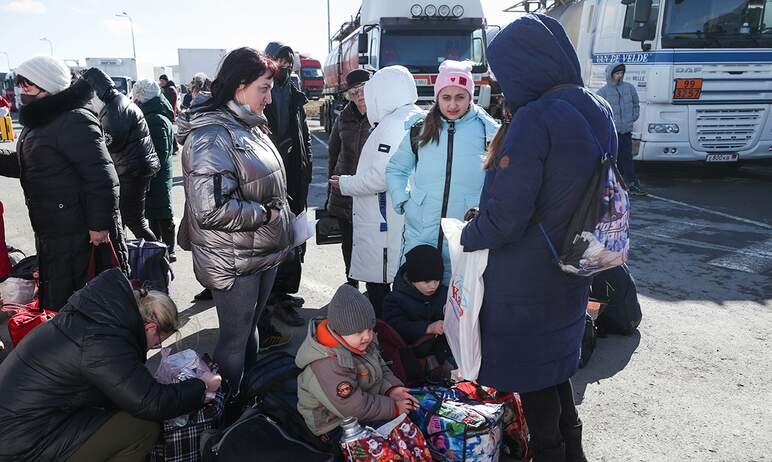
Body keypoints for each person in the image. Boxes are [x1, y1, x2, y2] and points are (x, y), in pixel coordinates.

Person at [460, 14, 611, 461]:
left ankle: (550, 453)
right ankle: (573, 450)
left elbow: (507, 216)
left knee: (533, 377)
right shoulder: (594, 106)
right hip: (574, 261)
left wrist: (468, 233)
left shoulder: (535, 119)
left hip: (525, 275)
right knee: (556, 366)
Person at [0, 268, 222, 461]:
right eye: (157, 343)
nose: (154, 348)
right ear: (151, 328)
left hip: (19, 425)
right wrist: (202, 386)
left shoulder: (95, 316)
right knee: (141, 429)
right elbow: (150, 403)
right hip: (19, 445)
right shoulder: (103, 343)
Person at [179, 47, 294, 414]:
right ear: (240, 86)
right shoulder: (212, 135)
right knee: (233, 338)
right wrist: (265, 214)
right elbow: (211, 208)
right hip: (233, 257)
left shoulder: (247, 124)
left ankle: (247, 397)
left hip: (257, 251)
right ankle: (223, 412)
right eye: (263, 87)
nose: (269, 96)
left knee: (250, 331)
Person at [0, 56, 126, 310]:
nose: (21, 88)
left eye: (28, 83)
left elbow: (102, 177)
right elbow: (29, 163)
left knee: (87, 299)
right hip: (55, 229)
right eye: (19, 81)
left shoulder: (74, 119)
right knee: (63, 298)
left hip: (81, 233)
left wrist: (99, 226)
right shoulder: (41, 121)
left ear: (47, 85)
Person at [386, 60, 499, 284]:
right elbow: (396, 168)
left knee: (459, 303)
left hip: (465, 233)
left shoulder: (488, 132)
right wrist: (404, 201)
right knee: (415, 300)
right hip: (421, 231)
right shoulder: (420, 127)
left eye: (460, 97)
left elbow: (502, 181)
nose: (453, 105)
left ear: (471, 96)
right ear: (437, 97)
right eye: (446, 97)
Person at [330, 65, 422, 316]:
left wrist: (345, 184)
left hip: (383, 218)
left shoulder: (392, 125)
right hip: (401, 215)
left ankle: (384, 335)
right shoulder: (414, 116)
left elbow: (380, 177)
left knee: (382, 282)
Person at [296, 284, 418, 437]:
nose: (367, 336)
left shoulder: (360, 342)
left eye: (370, 329)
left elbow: (380, 366)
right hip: (333, 422)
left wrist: (391, 389)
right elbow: (352, 408)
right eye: (359, 331)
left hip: (364, 405)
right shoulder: (327, 364)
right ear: (340, 330)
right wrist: (394, 408)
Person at [263, 41, 312, 328]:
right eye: (278, 60)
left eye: (288, 61)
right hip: (271, 176)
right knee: (275, 238)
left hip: (296, 175)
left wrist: (306, 167)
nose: (283, 66)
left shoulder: (295, 93)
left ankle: (285, 293)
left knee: (296, 238)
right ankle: (273, 299)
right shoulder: (262, 89)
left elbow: (304, 133)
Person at [84, 67, 161, 243]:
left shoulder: (114, 110)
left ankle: (157, 258)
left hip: (132, 170)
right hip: (135, 167)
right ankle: (142, 256)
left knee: (135, 221)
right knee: (130, 219)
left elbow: (110, 143)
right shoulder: (117, 102)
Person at [327, 69, 373, 288]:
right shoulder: (343, 118)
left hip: (372, 194)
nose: (359, 96)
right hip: (345, 194)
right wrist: (331, 191)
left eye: (364, 90)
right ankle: (351, 289)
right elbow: (333, 153)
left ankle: (376, 294)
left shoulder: (382, 116)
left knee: (373, 248)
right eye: (354, 92)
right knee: (349, 246)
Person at [132, 79, 177, 261]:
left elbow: (160, 153)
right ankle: (159, 246)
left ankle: (167, 249)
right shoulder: (157, 113)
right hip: (158, 174)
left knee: (161, 211)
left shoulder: (154, 119)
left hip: (156, 176)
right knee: (155, 211)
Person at [382, 245, 448, 345]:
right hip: (409, 352)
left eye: (437, 280)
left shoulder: (444, 293)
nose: (433, 286)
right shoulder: (395, 299)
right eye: (427, 281)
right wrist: (428, 328)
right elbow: (395, 327)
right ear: (412, 279)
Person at [597, 62, 645, 195]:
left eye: (621, 73)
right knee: (612, 159)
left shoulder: (629, 88)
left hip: (626, 131)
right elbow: (598, 110)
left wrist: (633, 117)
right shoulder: (603, 91)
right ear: (611, 74)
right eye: (617, 73)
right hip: (612, 132)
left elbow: (636, 104)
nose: (619, 76)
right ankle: (609, 185)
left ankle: (633, 183)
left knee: (627, 158)